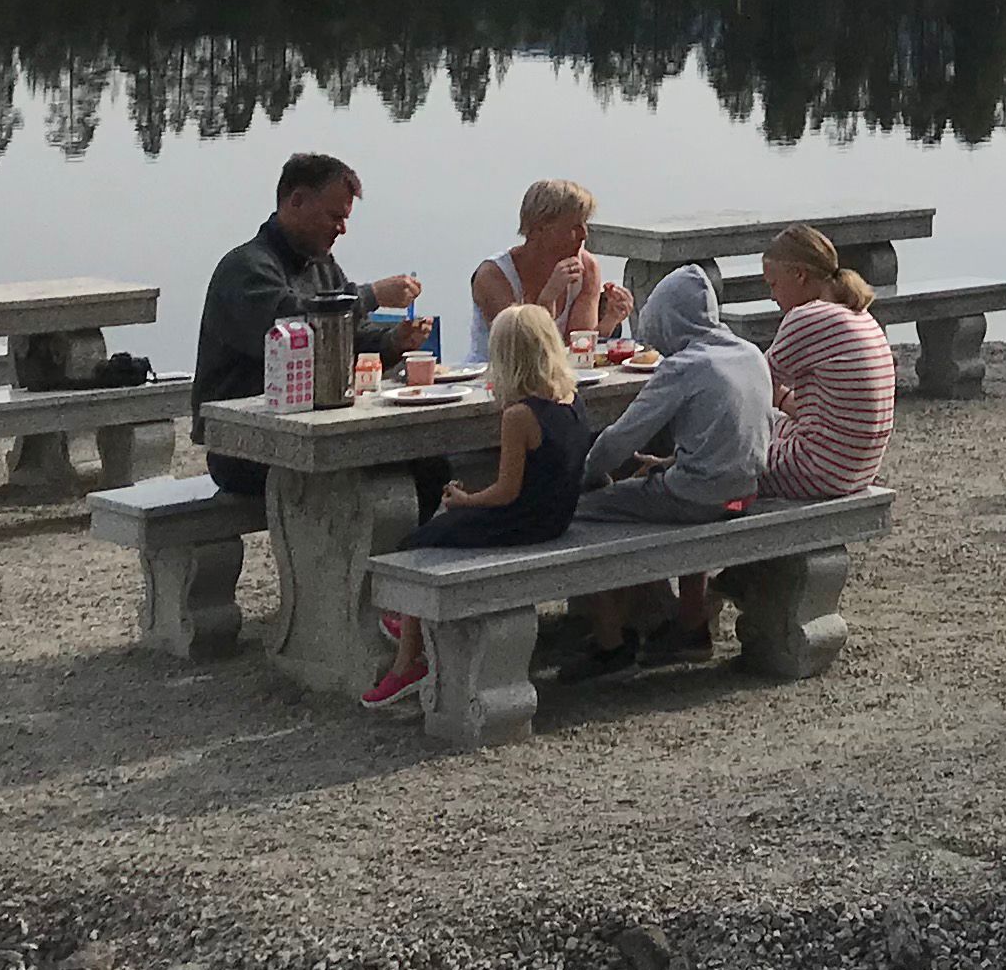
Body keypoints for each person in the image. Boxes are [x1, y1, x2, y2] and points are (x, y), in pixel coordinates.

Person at [360, 306, 589, 712]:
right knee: (441, 531)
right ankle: (413, 629)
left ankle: (407, 662)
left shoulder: (519, 415)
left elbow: (504, 492)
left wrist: (465, 500)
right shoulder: (571, 399)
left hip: (522, 523)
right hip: (554, 516)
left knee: (420, 543)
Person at [190, 151, 431, 505]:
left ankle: (388, 558)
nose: (342, 228)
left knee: (427, 469)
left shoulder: (323, 267)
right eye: (335, 216)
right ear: (297, 201)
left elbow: (355, 336)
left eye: (345, 218)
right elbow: (294, 330)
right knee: (361, 481)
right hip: (245, 445)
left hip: (316, 431)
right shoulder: (245, 269)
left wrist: (395, 340)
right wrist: (373, 294)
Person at [567, 263, 773, 672]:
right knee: (655, 488)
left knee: (576, 513)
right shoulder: (748, 353)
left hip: (698, 497)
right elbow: (731, 432)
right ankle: (688, 623)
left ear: (665, 319)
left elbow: (618, 440)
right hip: (743, 490)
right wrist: (671, 462)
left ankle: (612, 641)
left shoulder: (683, 366)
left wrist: (584, 477)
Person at [757, 225, 896, 502]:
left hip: (817, 471)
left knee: (717, 459)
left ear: (799, 275)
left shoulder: (808, 318)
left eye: (774, 285)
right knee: (768, 423)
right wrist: (781, 399)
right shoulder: (860, 315)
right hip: (856, 469)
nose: (773, 296)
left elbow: (749, 382)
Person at [465, 177, 632, 360]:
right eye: (574, 227)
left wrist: (610, 320)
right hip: (491, 380)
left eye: (585, 224)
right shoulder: (493, 276)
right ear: (540, 229)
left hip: (556, 378)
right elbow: (521, 350)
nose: (584, 235)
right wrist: (548, 297)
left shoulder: (587, 267)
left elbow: (577, 348)